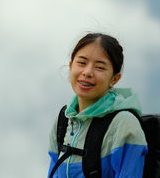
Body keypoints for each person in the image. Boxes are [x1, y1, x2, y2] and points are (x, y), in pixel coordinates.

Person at [47, 33, 147, 177]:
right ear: (71, 66)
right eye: (81, 63)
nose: (87, 72)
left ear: (114, 79)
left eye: (99, 67)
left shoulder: (123, 124)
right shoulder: (64, 119)